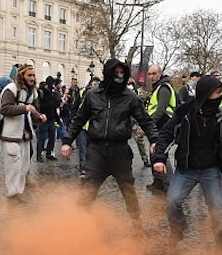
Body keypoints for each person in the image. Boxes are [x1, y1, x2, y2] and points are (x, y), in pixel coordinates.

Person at [61, 59, 158, 235]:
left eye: (122, 73)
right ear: (108, 74)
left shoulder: (131, 98)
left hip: (120, 151)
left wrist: (155, 140)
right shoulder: (92, 96)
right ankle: (79, 225)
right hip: (97, 151)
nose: (119, 77)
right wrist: (67, 141)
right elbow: (78, 120)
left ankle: (136, 224)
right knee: (88, 189)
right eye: (116, 73)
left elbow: (146, 121)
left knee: (128, 189)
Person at [153, 75, 222, 248]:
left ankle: (220, 238)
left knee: (217, 208)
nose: (220, 96)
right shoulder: (184, 112)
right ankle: (178, 229)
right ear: (205, 93)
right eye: (217, 92)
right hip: (186, 169)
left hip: (211, 169)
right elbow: (166, 134)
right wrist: (159, 157)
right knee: (172, 201)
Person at [0, 64, 44, 202]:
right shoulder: (11, 89)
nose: (32, 78)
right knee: (14, 163)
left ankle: (19, 191)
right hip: (10, 133)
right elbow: (4, 109)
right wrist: (24, 108)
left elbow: (32, 111)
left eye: (34, 75)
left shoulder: (33, 92)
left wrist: (39, 116)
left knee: (24, 165)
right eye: (29, 75)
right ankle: (12, 193)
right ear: (22, 76)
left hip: (25, 133)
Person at [146, 65, 176, 192]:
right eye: (149, 74)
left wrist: (147, 125)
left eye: (154, 74)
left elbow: (160, 110)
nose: (151, 77)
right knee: (154, 152)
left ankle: (170, 184)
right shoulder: (158, 87)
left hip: (163, 125)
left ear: (160, 73)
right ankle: (158, 182)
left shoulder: (163, 88)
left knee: (161, 153)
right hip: (158, 124)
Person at [128, 78, 151, 168]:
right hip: (124, 122)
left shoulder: (137, 94)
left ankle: (145, 159)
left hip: (134, 122)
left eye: (130, 83)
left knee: (140, 141)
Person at [36, 76, 59, 162]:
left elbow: (54, 107)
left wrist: (57, 118)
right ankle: (39, 155)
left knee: (52, 137)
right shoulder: (42, 92)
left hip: (51, 118)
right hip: (44, 118)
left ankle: (49, 153)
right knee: (41, 137)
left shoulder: (52, 93)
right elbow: (41, 106)